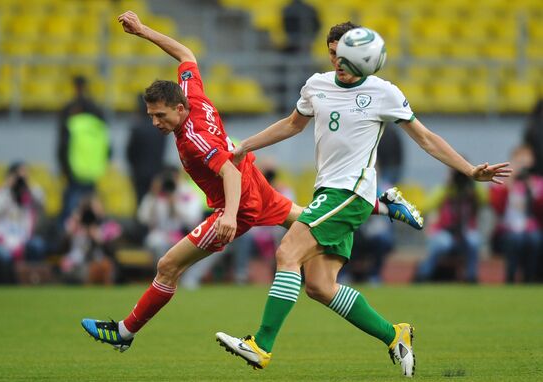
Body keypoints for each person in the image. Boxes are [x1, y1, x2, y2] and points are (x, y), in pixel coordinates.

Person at [81, 12, 423, 366]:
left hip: (239, 201)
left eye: (160, 117)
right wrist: (143, 31)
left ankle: (127, 332)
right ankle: (383, 218)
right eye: (151, 116)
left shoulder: (195, 137)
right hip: (255, 184)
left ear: (180, 109)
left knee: (168, 265)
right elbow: (186, 55)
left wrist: (228, 216)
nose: (155, 123)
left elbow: (227, 170)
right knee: (320, 285)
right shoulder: (189, 94)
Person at [214, 22, 511, 377]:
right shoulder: (317, 85)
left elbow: (426, 138)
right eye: (334, 54)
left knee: (287, 252)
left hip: (351, 194)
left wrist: (468, 170)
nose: (338, 61)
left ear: (365, 58)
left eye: (346, 55)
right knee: (320, 287)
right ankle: (395, 334)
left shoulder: (384, 93)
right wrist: (245, 145)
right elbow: (292, 124)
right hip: (327, 193)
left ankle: (261, 344)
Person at [414, 168, 486, 283]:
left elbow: (486, 199)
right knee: (442, 243)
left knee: (474, 240)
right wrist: (446, 187)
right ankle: (424, 274)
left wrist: (474, 182)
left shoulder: (472, 190)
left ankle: (471, 276)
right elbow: (425, 206)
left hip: (466, 231)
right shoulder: (444, 189)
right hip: (444, 231)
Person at [57, 75, 110, 227]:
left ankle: (67, 236)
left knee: (71, 207)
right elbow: (107, 147)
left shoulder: (71, 118)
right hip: (92, 170)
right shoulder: (97, 118)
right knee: (91, 206)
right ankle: (94, 233)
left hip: (74, 170)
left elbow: (63, 146)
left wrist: (64, 167)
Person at [489, 145, 543, 283]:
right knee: (516, 239)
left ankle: (530, 277)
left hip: (531, 228)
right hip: (507, 229)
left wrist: (532, 190)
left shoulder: (537, 183)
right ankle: (510, 277)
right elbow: (497, 208)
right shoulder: (503, 183)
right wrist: (509, 184)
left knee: (535, 239)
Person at [0, 162, 46, 284]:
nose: (21, 178)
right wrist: (8, 188)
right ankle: (7, 285)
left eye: (25, 175)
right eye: (19, 175)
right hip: (2, 240)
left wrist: (26, 186)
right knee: (4, 255)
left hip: (23, 239)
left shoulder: (29, 194)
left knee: (38, 245)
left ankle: (33, 281)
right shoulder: (1, 194)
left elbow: (42, 202)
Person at [137, 166, 203, 262]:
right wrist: (154, 196)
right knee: (156, 244)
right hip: (159, 237)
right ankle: (163, 275)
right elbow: (143, 218)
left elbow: (193, 219)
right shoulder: (155, 194)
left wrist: (175, 204)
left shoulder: (187, 193)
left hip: (183, 236)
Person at [60, 195, 121, 285]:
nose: (95, 210)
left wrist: (96, 236)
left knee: (104, 266)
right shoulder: (76, 223)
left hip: (98, 260)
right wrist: (74, 227)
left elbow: (112, 249)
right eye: (93, 207)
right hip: (77, 260)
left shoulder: (108, 224)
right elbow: (63, 246)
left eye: (98, 206)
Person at [126, 93, 168, 204]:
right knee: (155, 203)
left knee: (140, 202)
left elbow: (130, 152)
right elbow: (163, 150)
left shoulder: (137, 128)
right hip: (156, 172)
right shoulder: (160, 128)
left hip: (139, 173)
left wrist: (134, 166)